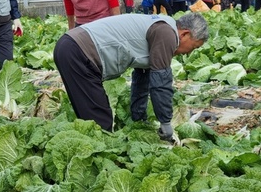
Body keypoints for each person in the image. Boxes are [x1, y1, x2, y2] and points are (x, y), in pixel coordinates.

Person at [53, 13, 209, 141]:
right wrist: (166, 122)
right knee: (100, 123)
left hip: (73, 48)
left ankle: (91, 154)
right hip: (78, 52)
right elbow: (160, 83)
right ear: (185, 34)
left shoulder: (162, 27)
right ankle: (100, 169)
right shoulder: (167, 34)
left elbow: (142, 80)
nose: (189, 53)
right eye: (194, 47)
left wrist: (139, 118)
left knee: (94, 120)